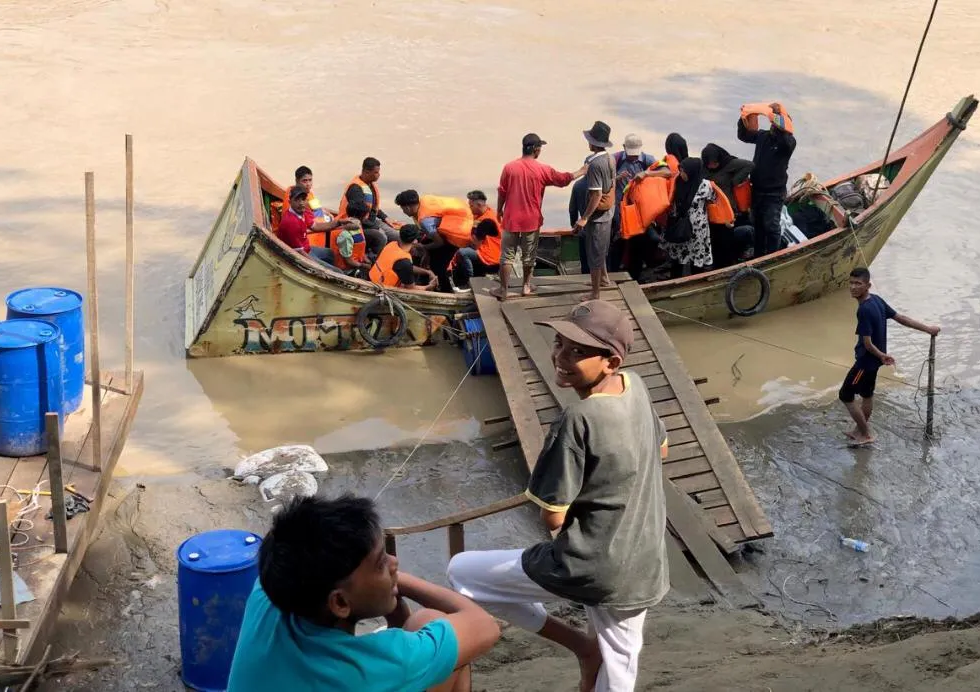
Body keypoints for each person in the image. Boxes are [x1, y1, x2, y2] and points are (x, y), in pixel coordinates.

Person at [447, 300, 669, 692]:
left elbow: (552, 516)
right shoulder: (637, 386)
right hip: (646, 563)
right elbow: (661, 448)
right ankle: (589, 649)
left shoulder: (578, 419)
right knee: (619, 668)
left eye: (579, 351)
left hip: (593, 568)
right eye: (559, 344)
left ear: (611, 362)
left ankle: (578, 644)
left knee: (463, 574)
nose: (562, 358)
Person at [227, 494, 500, 692]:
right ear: (340, 602)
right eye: (382, 562)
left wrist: (385, 582)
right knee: (429, 622)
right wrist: (400, 582)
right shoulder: (373, 669)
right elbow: (484, 625)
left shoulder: (269, 592)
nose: (395, 563)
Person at [841, 267, 940, 445]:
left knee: (846, 394)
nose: (853, 287)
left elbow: (867, 344)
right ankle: (859, 431)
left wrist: (881, 356)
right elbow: (901, 318)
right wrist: (928, 329)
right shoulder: (877, 300)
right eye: (851, 283)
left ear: (867, 285)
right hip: (874, 363)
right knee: (867, 394)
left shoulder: (863, 310)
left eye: (858, 284)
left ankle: (866, 434)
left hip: (864, 363)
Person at [495, 133, 585, 300]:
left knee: (507, 256)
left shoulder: (509, 167)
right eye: (540, 148)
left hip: (511, 219)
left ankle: (503, 290)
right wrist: (581, 171)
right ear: (536, 150)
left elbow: (502, 191)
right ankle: (526, 286)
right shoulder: (542, 169)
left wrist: (499, 210)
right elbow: (563, 179)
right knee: (529, 255)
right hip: (531, 220)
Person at [737, 102, 796, 257]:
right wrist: (745, 116)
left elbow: (784, 139)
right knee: (758, 225)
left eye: (775, 125)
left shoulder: (788, 143)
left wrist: (775, 117)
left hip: (774, 193)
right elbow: (744, 135)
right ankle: (758, 255)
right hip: (757, 189)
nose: (772, 127)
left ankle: (772, 256)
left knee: (771, 226)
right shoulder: (763, 136)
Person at [394, 190, 473, 293]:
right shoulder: (423, 201)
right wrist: (426, 251)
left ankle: (446, 292)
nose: (403, 212)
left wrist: (423, 247)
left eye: (402, 209)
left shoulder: (425, 220)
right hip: (453, 225)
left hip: (454, 236)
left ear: (407, 207)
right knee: (430, 255)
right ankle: (430, 282)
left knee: (438, 267)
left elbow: (439, 243)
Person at [574, 121, 616, 302]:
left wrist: (584, 218)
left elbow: (596, 195)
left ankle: (595, 292)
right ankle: (604, 279)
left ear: (594, 143)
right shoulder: (611, 158)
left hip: (598, 216)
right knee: (601, 250)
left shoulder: (595, 165)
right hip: (609, 211)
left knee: (595, 254)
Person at [276, 186, 356, 272]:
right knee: (338, 272)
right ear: (290, 202)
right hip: (295, 254)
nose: (301, 203)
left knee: (330, 253)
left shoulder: (302, 211)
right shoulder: (290, 222)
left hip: (305, 248)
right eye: (297, 200)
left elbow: (315, 226)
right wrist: (320, 268)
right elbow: (300, 254)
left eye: (303, 199)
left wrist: (339, 222)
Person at [610, 134, 659, 272]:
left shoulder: (648, 160)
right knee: (619, 240)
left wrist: (646, 174)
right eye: (630, 154)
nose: (633, 157)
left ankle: (640, 267)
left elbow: (665, 171)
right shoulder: (615, 159)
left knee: (643, 240)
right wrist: (617, 178)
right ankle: (615, 271)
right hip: (620, 210)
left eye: (635, 154)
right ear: (624, 147)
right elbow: (602, 180)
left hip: (640, 211)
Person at [661, 157, 714, 278]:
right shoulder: (677, 182)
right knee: (678, 255)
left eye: (684, 171)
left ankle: (696, 280)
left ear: (692, 171)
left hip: (697, 228)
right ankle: (675, 280)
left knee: (696, 255)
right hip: (679, 224)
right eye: (680, 170)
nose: (682, 173)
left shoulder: (705, 185)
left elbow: (712, 200)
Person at [338, 157, 399, 258]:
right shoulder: (355, 189)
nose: (378, 175)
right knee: (382, 237)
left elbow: (372, 207)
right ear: (366, 172)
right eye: (376, 172)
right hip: (356, 223)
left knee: (396, 235)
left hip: (370, 221)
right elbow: (357, 214)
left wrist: (385, 217)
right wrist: (375, 227)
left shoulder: (370, 185)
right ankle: (374, 260)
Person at [451, 191, 501, 288]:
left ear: (479, 204)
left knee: (462, 252)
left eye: (471, 206)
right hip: (480, 247)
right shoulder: (479, 214)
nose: (469, 208)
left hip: (490, 253)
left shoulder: (488, 219)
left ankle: (471, 282)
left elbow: (475, 244)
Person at [370, 224, 438, 290]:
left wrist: (427, 272)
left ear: (400, 236)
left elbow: (403, 267)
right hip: (382, 289)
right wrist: (429, 286)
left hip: (373, 279)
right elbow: (411, 288)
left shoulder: (391, 245)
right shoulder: (404, 262)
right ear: (415, 241)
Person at [702, 143, 754, 226]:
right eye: (709, 163)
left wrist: (735, 181)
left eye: (715, 162)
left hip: (730, 210)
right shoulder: (703, 170)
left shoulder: (728, 164)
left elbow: (750, 165)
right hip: (713, 212)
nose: (713, 165)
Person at [329, 200, 373, 277]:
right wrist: (364, 266)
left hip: (357, 262)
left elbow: (359, 248)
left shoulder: (357, 225)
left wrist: (366, 260)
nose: (368, 216)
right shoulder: (345, 235)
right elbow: (348, 261)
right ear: (361, 216)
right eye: (366, 214)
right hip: (346, 269)